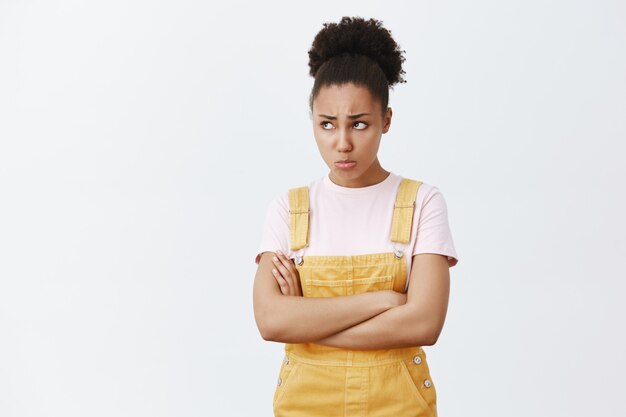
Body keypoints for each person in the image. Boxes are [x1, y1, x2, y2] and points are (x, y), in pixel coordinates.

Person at [253, 16, 459, 417]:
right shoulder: (289, 208)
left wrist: (309, 324)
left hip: (399, 407)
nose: (342, 143)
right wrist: (382, 300)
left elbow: (424, 324)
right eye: (327, 124)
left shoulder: (422, 202)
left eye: (359, 124)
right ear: (312, 120)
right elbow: (271, 321)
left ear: (386, 120)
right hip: (304, 406)